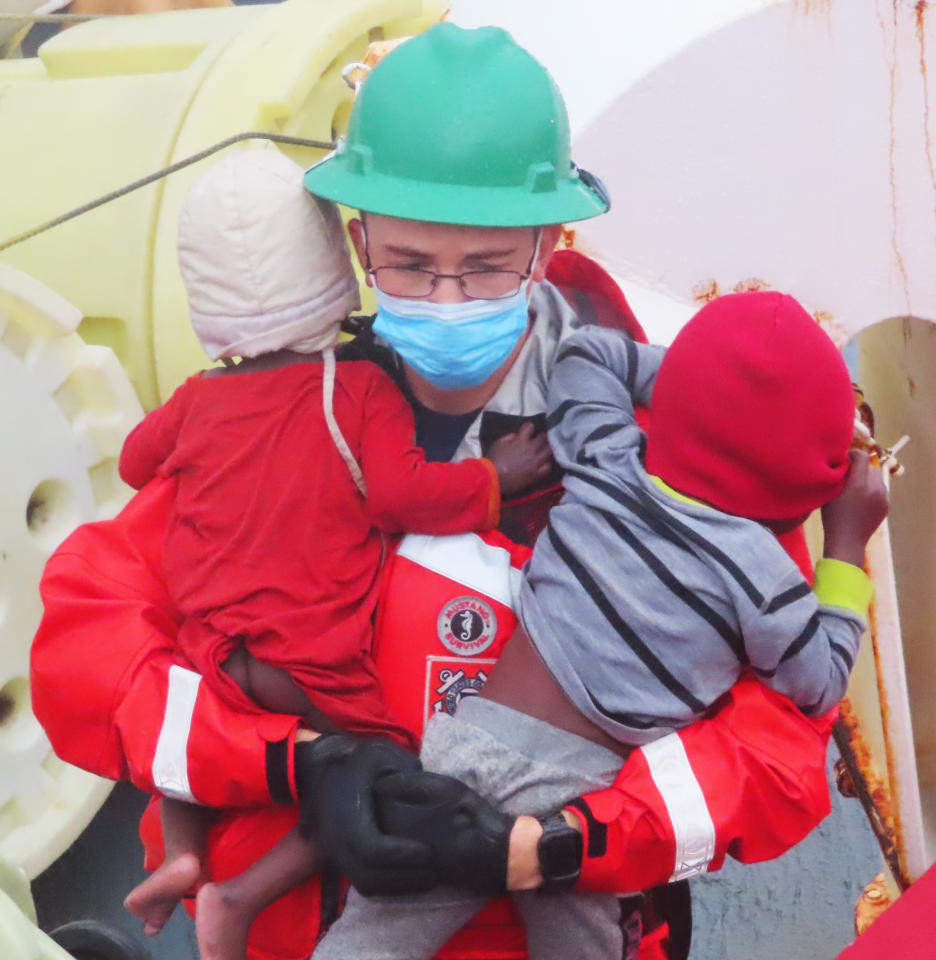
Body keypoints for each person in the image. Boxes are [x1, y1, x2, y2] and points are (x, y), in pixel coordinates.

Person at [30, 23, 841, 960]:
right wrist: (294, 762)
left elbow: (779, 742)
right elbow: (89, 639)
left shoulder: (688, 444)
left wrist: (574, 842)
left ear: (547, 243)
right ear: (356, 237)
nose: (447, 297)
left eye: (487, 265)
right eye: (410, 266)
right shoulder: (268, 416)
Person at [309, 291, 889, 960]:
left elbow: (583, 355)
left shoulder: (608, 458)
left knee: (372, 942)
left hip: (474, 750)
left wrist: (698, 379)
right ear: (810, 478)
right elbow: (818, 685)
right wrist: (847, 548)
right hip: (590, 809)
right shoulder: (764, 579)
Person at [115, 149, 550, 960]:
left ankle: (181, 854)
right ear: (341, 260)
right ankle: (239, 898)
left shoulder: (197, 398)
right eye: (412, 266)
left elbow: (136, 464)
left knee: (183, 740)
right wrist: (496, 479)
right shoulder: (355, 391)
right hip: (304, 657)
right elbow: (400, 493)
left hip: (211, 648)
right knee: (375, 764)